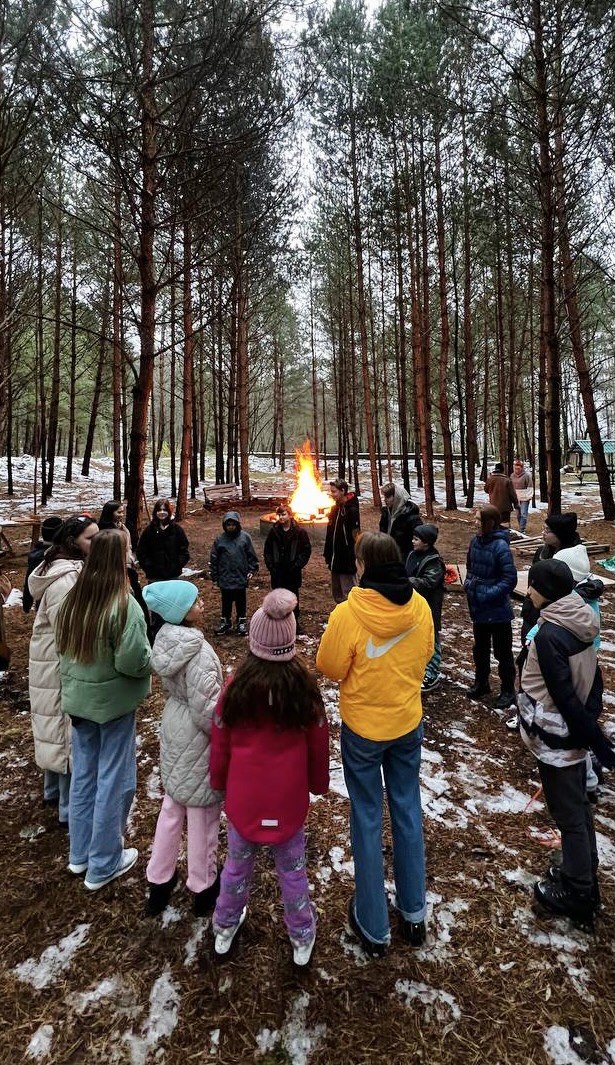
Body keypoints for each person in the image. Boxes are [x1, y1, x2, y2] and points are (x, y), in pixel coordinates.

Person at [316, 532, 433, 956]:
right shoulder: (419, 605)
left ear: (364, 564)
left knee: (367, 817)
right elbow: (427, 652)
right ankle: (414, 911)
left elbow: (328, 666)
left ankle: (372, 921)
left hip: (363, 731)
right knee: (406, 809)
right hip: (406, 725)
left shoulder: (350, 612)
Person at [210, 589, 329, 967]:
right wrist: (317, 784)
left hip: (244, 800)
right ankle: (301, 934)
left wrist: (218, 780)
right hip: (287, 801)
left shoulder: (235, 689)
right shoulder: (305, 692)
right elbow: (318, 744)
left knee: (235, 865)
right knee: (292, 871)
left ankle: (225, 925)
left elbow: (220, 740)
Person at [518, 559, 615, 925]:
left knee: (568, 813)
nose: (527, 592)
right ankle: (583, 874)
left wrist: (592, 737)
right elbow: (594, 677)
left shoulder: (550, 636)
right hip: (570, 730)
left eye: (532, 586)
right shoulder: (578, 617)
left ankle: (578, 890)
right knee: (576, 807)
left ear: (545, 591)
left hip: (558, 736)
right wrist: (591, 725)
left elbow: (562, 692)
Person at [57, 528, 152, 891]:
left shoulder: (73, 600)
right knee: (114, 780)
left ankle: (79, 853)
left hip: (79, 705)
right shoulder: (122, 605)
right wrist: (149, 660)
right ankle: (103, 862)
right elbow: (133, 661)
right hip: (112, 707)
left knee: (84, 777)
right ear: (118, 558)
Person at [141, 580, 223, 916]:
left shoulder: (166, 640)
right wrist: (224, 734)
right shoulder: (198, 653)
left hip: (174, 725)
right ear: (181, 613)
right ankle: (203, 886)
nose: (202, 603)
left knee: (172, 807)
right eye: (195, 601)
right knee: (202, 813)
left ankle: (159, 880)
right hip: (197, 736)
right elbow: (207, 711)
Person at [27, 516, 99, 822]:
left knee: (56, 730)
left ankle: (53, 792)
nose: (96, 544)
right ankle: (69, 810)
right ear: (72, 542)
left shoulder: (67, 569)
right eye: (90, 539)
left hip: (56, 664)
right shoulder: (65, 579)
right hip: (59, 667)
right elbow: (70, 631)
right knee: (65, 733)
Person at [464, 506, 517, 709]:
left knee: (503, 652)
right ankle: (482, 683)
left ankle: (508, 690)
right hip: (478, 608)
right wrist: (469, 585)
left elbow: (509, 579)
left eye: (479, 519)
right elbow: (469, 568)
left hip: (498, 611)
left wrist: (488, 593)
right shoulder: (475, 541)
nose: (475, 522)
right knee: (480, 648)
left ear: (490, 522)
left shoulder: (501, 547)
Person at [99, 500, 151, 639]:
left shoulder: (122, 527)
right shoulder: (105, 531)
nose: (121, 514)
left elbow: (128, 548)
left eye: (122, 511)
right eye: (119, 512)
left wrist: (131, 559)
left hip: (129, 569)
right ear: (110, 513)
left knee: (139, 604)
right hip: (114, 572)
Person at [405, 524, 445, 692]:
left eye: (416, 539)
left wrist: (406, 581)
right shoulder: (412, 555)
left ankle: (432, 673)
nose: (412, 541)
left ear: (426, 542)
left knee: (432, 640)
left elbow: (428, 583)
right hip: (413, 606)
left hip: (429, 608)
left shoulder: (434, 561)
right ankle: (420, 669)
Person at [263, 505, 311, 634]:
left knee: (293, 597)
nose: (281, 517)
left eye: (284, 514)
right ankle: (278, 623)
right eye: (279, 515)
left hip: (292, 572)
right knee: (278, 597)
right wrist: (271, 566)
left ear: (290, 515)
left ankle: (294, 622)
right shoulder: (274, 531)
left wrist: (297, 565)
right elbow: (267, 550)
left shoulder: (299, 532)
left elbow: (306, 551)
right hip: (277, 571)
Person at [209, 511, 259, 636]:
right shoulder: (220, 540)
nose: (231, 527)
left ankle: (241, 621)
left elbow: (251, 556)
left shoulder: (245, 538)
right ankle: (225, 621)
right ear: (224, 526)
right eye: (228, 525)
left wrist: (252, 570)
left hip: (240, 576)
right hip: (225, 577)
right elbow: (214, 558)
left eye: (233, 524)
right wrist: (215, 574)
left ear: (237, 525)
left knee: (241, 601)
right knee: (226, 601)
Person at [323, 478, 361, 604]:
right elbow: (330, 533)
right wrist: (327, 553)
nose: (331, 494)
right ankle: (341, 618)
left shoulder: (351, 510)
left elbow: (356, 534)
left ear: (343, 491)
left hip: (347, 560)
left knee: (350, 594)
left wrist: (354, 556)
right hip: (335, 559)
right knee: (337, 594)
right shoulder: (335, 509)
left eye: (334, 492)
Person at [136, 498, 190, 583]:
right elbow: (141, 551)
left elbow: (184, 550)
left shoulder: (177, 530)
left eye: (164, 510)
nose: (161, 512)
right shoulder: (149, 530)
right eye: (159, 510)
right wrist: (149, 567)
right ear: (155, 512)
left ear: (169, 511)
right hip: (154, 576)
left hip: (173, 576)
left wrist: (177, 565)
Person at [22, 516, 64, 613]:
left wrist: (26, 603)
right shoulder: (46, 556)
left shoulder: (36, 554)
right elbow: (30, 578)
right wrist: (27, 602)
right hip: (49, 601)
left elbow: (29, 578)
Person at [379, 483, 422, 559]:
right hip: (387, 556)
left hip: (404, 559)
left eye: (388, 496)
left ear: (397, 497)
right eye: (384, 496)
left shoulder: (412, 518)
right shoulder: (386, 514)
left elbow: (419, 542)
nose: (385, 499)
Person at [510, 459, 533, 534]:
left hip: (524, 498)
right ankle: (521, 526)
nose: (516, 470)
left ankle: (522, 529)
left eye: (518, 468)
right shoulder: (512, 476)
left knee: (523, 514)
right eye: (515, 468)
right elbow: (510, 487)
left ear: (522, 468)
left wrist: (528, 496)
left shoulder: (527, 476)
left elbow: (530, 487)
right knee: (518, 514)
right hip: (516, 498)